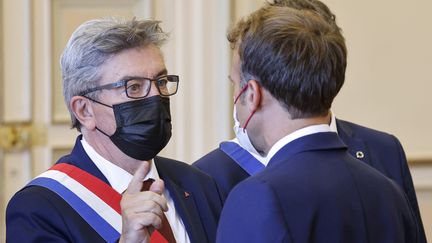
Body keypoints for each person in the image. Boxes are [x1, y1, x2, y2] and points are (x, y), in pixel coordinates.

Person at [194, 0, 426, 241]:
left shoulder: (256, 197)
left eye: (235, 84)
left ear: (252, 94)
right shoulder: (388, 191)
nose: (234, 96)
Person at [6, 18, 222, 243]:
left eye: (160, 81)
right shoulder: (39, 208)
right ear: (84, 110)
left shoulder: (199, 185)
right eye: (134, 87)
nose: (156, 97)